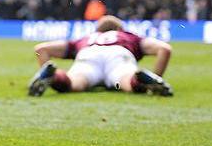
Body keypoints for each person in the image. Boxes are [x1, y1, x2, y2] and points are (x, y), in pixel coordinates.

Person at [27, 15, 174, 97]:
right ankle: (144, 81)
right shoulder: (127, 36)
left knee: (72, 83)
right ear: (119, 29)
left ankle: (53, 77)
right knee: (127, 81)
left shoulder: (86, 38)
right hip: (119, 55)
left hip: (88, 54)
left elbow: (41, 49)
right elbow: (164, 49)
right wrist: (157, 76)